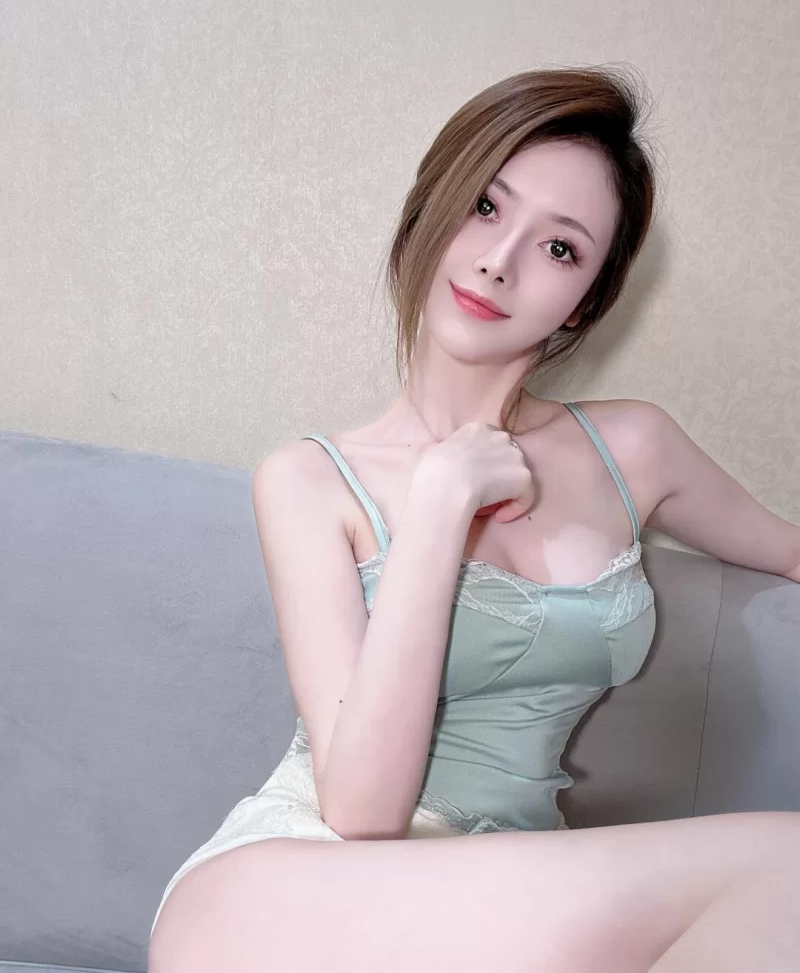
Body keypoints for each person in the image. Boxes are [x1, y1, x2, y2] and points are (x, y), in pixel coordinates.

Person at [149, 65, 800, 972]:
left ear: (588, 299)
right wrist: (441, 501)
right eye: (487, 207)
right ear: (432, 207)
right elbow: (362, 812)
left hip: (508, 910)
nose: (500, 260)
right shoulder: (307, 481)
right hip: (292, 891)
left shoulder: (634, 449)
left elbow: (790, 550)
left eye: (560, 247)